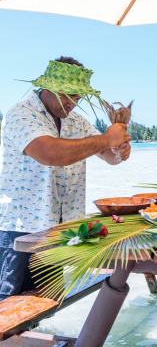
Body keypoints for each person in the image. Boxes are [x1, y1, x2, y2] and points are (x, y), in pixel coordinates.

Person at [0, 57, 131, 300]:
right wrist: (106, 139)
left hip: (58, 229)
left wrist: (120, 147)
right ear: (48, 88)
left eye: (78, 97)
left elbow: (110, 157)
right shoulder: (20, 114)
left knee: (45, 302)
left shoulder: (76, 122)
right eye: (68, 95)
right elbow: (50, 154)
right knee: (8, 305)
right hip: (20, 230)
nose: (72, 103)